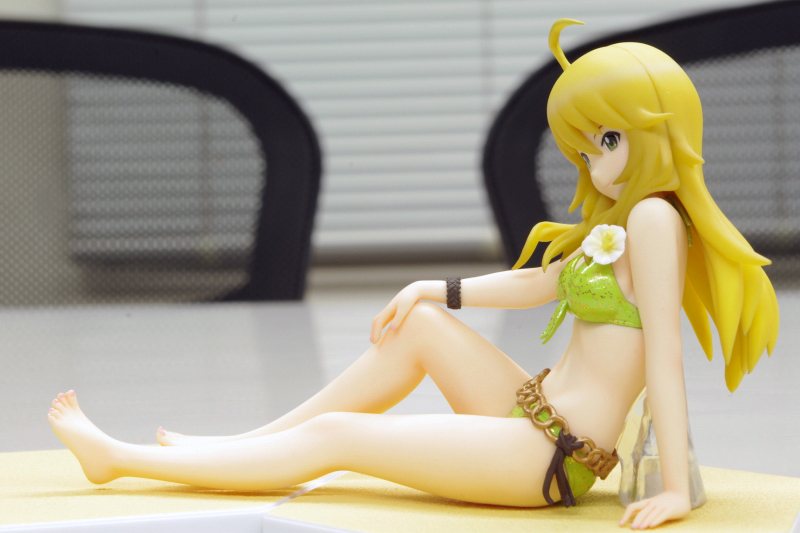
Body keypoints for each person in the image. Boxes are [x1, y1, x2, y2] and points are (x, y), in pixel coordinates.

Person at [47, 19, 778, 530]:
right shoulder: (622, 218)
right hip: (529, 410)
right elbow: (541, 283)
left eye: (607, 140)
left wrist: (675, 488)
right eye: (584, 150)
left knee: (340, 437)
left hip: (549, 458)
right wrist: (437, 288)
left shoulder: (654, 220)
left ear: (657, 129)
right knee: (419, 324)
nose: (594, 165)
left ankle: (119, 460)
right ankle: (240, 448)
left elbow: (666, 357)